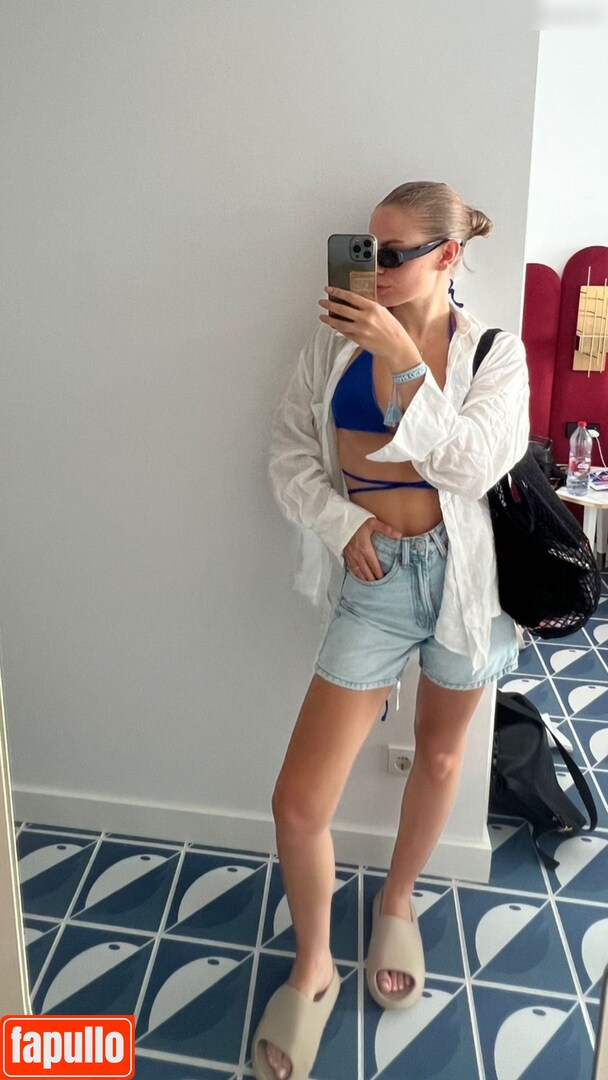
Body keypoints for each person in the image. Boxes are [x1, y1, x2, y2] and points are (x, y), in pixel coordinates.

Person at [251, 181, 530, 1080]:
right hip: (372, 581)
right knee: (298, 803)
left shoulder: (495, 354)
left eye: (397, 253)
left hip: (464, 586)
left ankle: (399, 900)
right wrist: (343, 526)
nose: (375, 271)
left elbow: (470, 466)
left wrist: (406, 358)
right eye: (367, 250)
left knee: (441, 758)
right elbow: (290, 455)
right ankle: (314, 966)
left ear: (449, 256)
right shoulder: (332, 344)